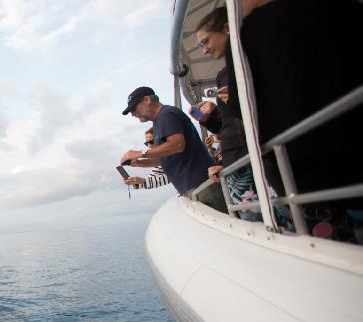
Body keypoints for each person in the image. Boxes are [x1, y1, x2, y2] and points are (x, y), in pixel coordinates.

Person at [227, 0, 363, 240]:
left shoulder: (243, 37)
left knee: (332, 243)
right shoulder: (349, 8)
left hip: (298, 166)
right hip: (354, 143)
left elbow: (242, 108)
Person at [191, 7, 261, 221]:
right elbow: (231, 123)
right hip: (236, 162)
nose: (204, 50)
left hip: (251, 159)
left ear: (227, 29)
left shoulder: (249, 63)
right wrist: (210, 116)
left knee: (257, 222)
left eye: (205, 42)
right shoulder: (225, 73)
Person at [119, 87, 227, 213]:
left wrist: (140, 153)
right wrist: (140, 163)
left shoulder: (167, 114)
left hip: (202, 186)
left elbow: (177, 145)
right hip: (194, 188)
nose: (133, 113)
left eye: (134, 108)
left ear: (147, 100)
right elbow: (166, 157)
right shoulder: (159, 121)